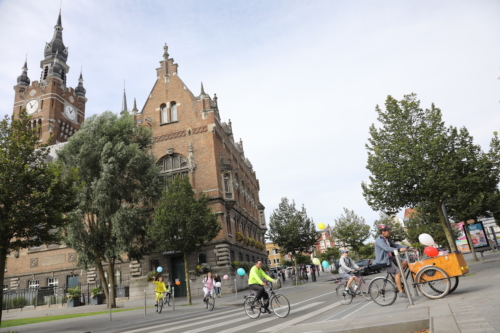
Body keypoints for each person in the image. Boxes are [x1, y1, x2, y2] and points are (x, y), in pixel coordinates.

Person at [375, 224, 412, 298]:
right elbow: (386, 248)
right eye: (388, 231)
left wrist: (408, 247)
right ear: (383, 232)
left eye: (389, 230)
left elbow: (395, 245)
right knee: (398, 272)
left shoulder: (387, 239)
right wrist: (399, 250)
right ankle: (401, 292)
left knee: (405, 263)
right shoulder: (379, 240)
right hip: (385, 260)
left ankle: (396, 278)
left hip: (391, 257)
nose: (389, 232)